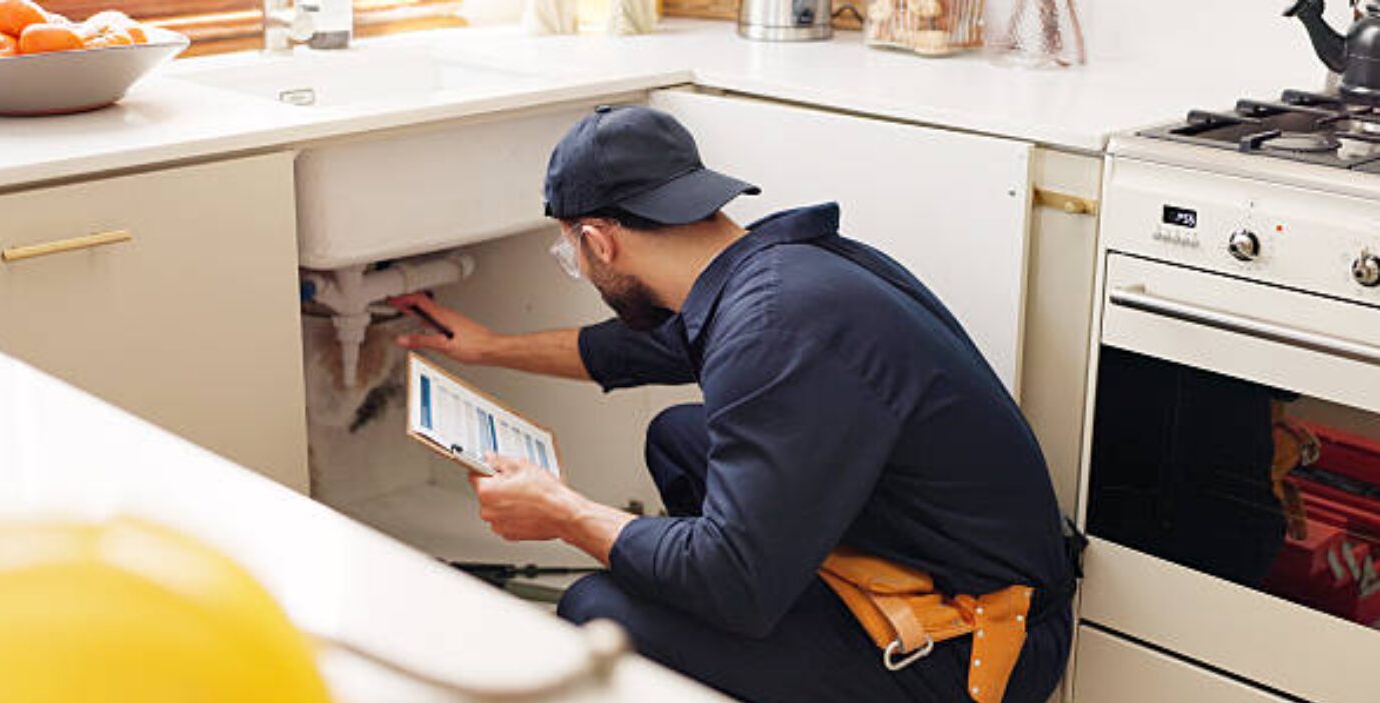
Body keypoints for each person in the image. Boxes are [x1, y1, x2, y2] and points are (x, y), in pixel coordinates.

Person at [395, 105, 1075, 703]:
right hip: (930, 555)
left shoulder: (773, 328)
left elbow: (735, 582)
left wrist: (564, 513)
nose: (580, 266)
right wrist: (489, 347)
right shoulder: (773, 269)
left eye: (572, 254)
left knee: (595, 607)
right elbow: (633, 350)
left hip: (978, 642)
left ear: (600, 240)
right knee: (679, 436)